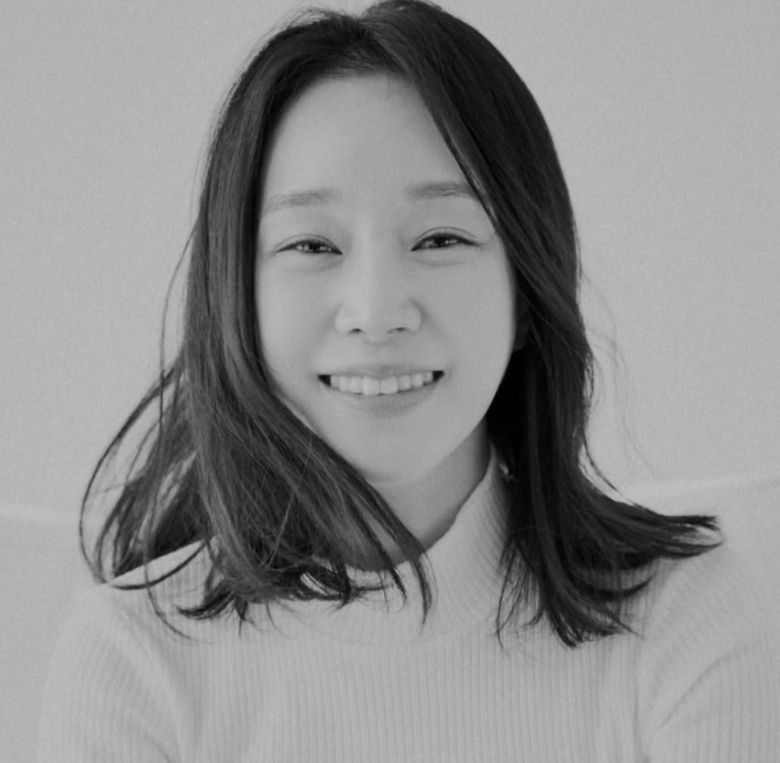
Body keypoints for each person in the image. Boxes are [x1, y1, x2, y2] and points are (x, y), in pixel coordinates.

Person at [38, 1, 779, 760]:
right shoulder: (134, 662)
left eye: (441, 237)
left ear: (526, 292)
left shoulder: (684, 623)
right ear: (235, 298)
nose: (377, 311)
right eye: (312, 244)